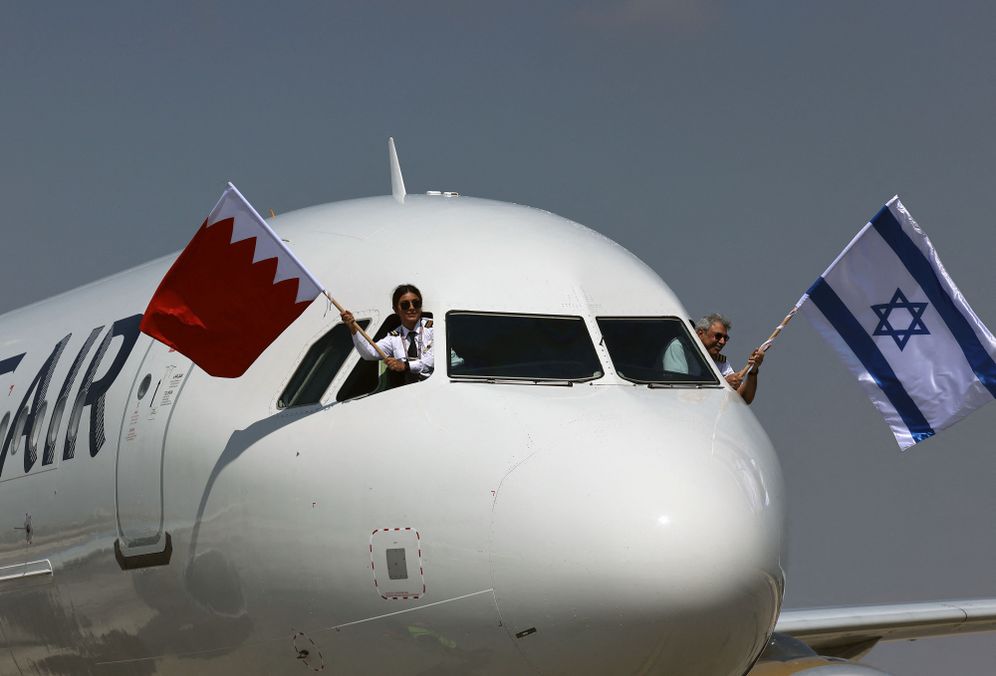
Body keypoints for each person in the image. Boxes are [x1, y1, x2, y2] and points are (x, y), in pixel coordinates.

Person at [340, 284, 433, 385]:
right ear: (396, 310)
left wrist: (405, 366)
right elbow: (369, 353)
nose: (411, 308)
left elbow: (432, 360)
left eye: (416, 303)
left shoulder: (433, 328)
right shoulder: (394, 337)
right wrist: (353, 329)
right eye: (405, 305)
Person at [694, 313, 763, 404]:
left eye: (725, 338)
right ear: (700, 334)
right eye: (718, 336)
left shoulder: (721, 363)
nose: (722, 342)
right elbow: (681, 391)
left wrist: (753, 369)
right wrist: (723, 383)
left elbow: (745, 398)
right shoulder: (683, 353)